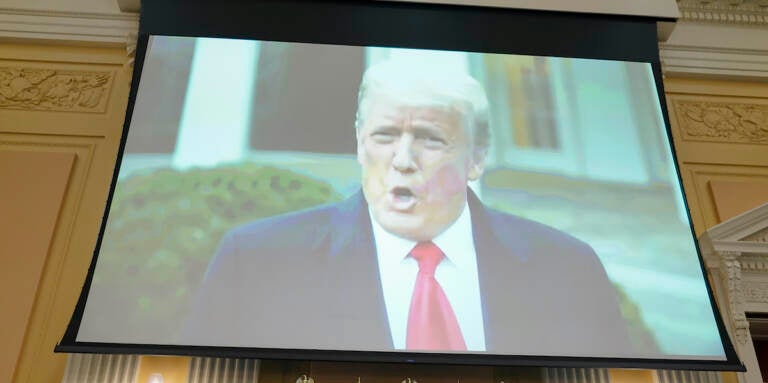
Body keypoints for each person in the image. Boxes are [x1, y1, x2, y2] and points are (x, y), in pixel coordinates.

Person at [183, 58, 632, 357]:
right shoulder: (256, 261)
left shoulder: (569, 267)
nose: (401, 159)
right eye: (383, 136)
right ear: (360, 144)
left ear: (477, 156)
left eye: (429, 139)